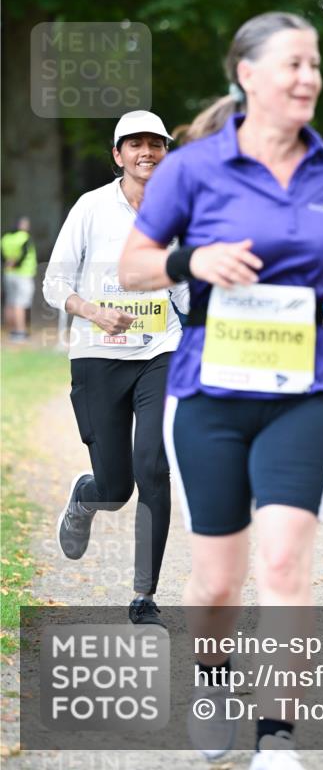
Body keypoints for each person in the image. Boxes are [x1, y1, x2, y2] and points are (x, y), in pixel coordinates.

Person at [118, 12, 323, 769]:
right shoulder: (193, 169)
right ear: (247, 74)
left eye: (315, 64)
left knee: (286, 565)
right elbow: (134, 265)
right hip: (209, 397)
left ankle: (278, 738)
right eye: (292, 64)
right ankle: (211, 678)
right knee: (217, 582)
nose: (308, 79)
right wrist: (193, 262)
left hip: (303, 388)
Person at [43, 110, 185, 628]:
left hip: (161, 351)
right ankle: (87, 498)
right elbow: (54, 285)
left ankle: (144, 596)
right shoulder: (90, 207)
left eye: (156, 143)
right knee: (116, 486)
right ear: (118, 155)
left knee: (153, 466)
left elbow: (189, 285)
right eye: (136, 144)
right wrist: (95, 312)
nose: (147, 152)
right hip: (97, 357)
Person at [1, 216, 37, 341]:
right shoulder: (24, 237)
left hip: (8, 273)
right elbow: (24, 254)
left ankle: (11, 330)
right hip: (23, 274)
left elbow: (2, 256)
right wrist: (16, 264)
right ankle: (20, 331)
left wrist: (7, 263)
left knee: (10, 302)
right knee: (20, 303)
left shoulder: (6, 238)